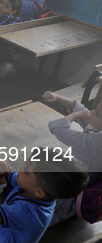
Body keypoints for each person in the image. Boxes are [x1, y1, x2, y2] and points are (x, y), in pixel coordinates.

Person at [43, 90, 102, 225]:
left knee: (39, 218)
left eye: (97, 113)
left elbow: (58, 128)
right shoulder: (99, 130)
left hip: (69, 196)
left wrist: (76, 115)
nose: (91, 112)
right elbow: (87, 114)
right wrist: (57, 97)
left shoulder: (96, 144)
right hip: (78, 183)